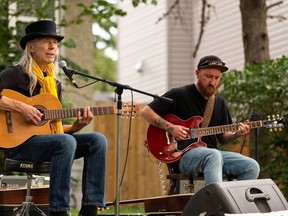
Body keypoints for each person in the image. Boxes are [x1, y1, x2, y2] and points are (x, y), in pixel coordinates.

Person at [0, 20, 107, 216]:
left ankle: (90, 208)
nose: (52, 47)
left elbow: (50, 129)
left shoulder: (54, 84)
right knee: (64, 142)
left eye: (55, 43)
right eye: (46, 41)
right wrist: (21, 106)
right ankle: (59, 211)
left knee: (97, 140)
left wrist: (75, 127)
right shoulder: (14, 75)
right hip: (18, 145)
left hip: (47, 143)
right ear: (31, 47)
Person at [141, 55, 260, 186]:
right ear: (197, 73)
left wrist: (237, 134)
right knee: (213, 155)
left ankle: (235, 205)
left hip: (213, 155)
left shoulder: (219, 103)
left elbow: (223, 138)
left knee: (251, 166)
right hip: (183, 156)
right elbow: (146, 111)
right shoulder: (179, 94)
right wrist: (171, 128)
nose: (213, 82)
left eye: (217, 78)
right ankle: (216, 203)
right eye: (208, 76)